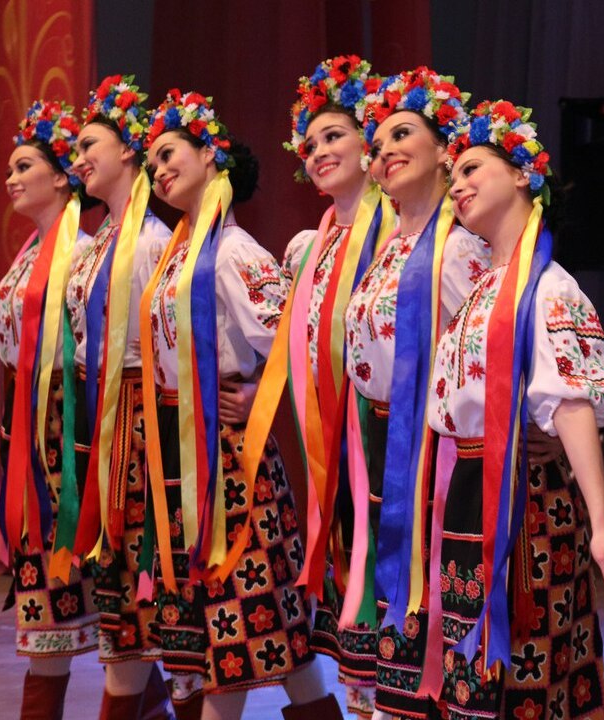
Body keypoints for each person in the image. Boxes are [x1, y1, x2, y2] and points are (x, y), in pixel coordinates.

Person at [421, 99, 604, 719]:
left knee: (527, 666)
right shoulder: (483, 287)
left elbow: (568, 402)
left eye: (472, 170)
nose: (457, 186)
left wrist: (602, 523)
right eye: (453, 177)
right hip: (468, 489)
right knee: (471, 674)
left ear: (522, 174)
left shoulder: (548, 288)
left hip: (523, 502)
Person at [139, 89, 340, 720]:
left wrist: (257, 392)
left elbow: (297, 337)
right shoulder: (180, 251)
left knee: (235, 629)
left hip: (228, 461)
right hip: (183, 451)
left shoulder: (232, 251)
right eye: (151, 163)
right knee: (265, 637)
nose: (158, 170)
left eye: (169, 154)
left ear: (209, 154)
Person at [344, 67, 490, 720]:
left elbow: (497, 351)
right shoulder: (389, 249)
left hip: (437, 456)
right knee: (398, 614)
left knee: (432, 612)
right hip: (387, 446)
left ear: (444, 150)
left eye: (403, 134)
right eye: (377, 145)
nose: (385, 151)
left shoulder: (459, 252)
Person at [0, 99, 98, 720]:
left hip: (65, 431)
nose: (11, 179)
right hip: (27, 426)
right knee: (39, 575)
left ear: (63, 177)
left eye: (24, 167)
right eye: (10, 169)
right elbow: (8, 350)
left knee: (70, 574)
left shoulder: (84, 255)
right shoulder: (30, 254)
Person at [268, 55, 391, 720]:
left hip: (393, 443)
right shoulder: (303, 249)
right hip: (332, 449)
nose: (317, 151)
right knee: (349, 599)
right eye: (310, 143)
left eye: (334, 135)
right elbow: (280, 340)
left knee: (390, 595)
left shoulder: (406, 238)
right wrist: (249, 391)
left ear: (371, 142)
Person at [64, 74, 173, 718]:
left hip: (140, 422)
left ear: (129, 150)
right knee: (119, 599)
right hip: (102, 417)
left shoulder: (154, 240)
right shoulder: (98, 239)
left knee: (141, 588)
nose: (78, 159)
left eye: (89, 146)